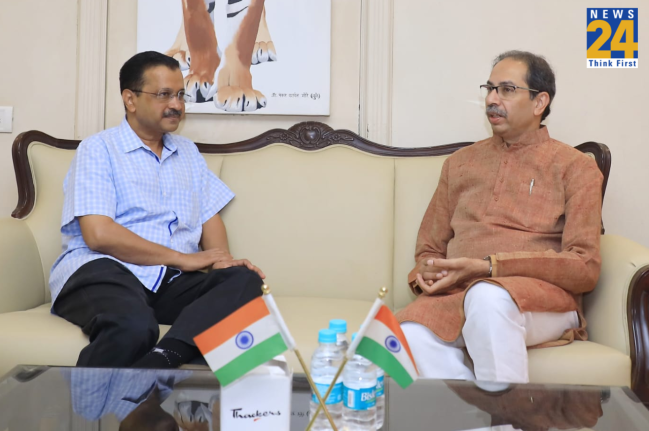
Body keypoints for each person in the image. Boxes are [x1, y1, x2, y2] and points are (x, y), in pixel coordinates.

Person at [49, 51, 265, 369]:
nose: (176, 104)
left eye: (180, 95)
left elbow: (209, 219)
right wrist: (183, 259)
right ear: (130, 99)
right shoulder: (99, 148)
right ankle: (89, 405)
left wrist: (222, 263)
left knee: (244, 280)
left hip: (170, 281)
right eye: (164, 94)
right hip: (104, 271)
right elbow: (98, 234)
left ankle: (159, 363)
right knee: (134, 326)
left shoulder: (188, 153)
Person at [397, 51, 603, 383]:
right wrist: (429, 271)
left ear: (539, 102)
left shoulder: (576, 167)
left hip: (540, 300)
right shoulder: (460, 163)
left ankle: (504, 408)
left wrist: (490, 267)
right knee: (405, 336)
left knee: (487, 297)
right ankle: (479, 410)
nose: (492, 99)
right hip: (458, 298)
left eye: (506, 90)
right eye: (490, 89)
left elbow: (584, 267)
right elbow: (429, 248)